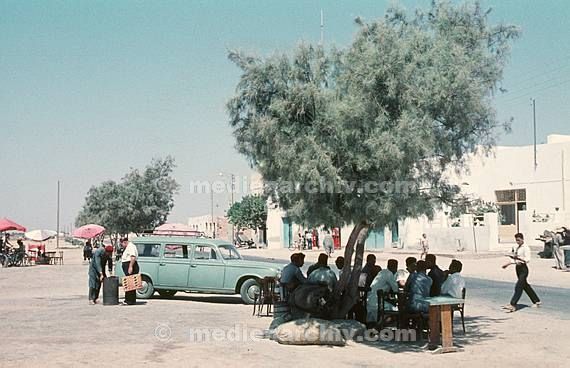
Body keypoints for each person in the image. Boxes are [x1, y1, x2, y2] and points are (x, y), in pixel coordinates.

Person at [502, 233, 541, 312]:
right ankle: (536, 301)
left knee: (518, 286)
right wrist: (508, 263)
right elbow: (513, 256)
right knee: (525, 286)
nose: (518, 242)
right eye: (516, 240)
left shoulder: (526, 248)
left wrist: (519, 258)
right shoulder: (516, 247)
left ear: (522, 239)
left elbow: (527, 259)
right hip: (518, 268)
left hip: (524, 269)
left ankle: (513, 304)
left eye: (519, 240)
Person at [121, 238, 139, 305]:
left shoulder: (130, 246)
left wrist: (130, 266)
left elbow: (133, 257)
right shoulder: (130, 246)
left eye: (122, 244)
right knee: (131, 284)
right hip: (128, 265)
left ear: (125, 242)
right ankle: (131, 300)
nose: (122, 245)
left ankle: (128, 300)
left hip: (130, 265)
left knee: (129, 284)